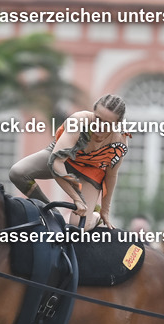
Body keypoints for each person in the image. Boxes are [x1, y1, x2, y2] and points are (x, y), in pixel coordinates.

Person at [9, 94, 129, 228]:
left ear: (117, 124)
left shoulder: (119, 140)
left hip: (91, 170)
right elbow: (56, 163)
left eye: (107, 124)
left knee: (78, 226)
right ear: (93, 112)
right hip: (62, 158)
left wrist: (105, 211)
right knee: (17, 173)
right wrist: (76, 198)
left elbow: (111, 175)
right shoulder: (78, 121)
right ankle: (51, 213)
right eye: (98, 119)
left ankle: (93, 216)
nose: (99, 126)